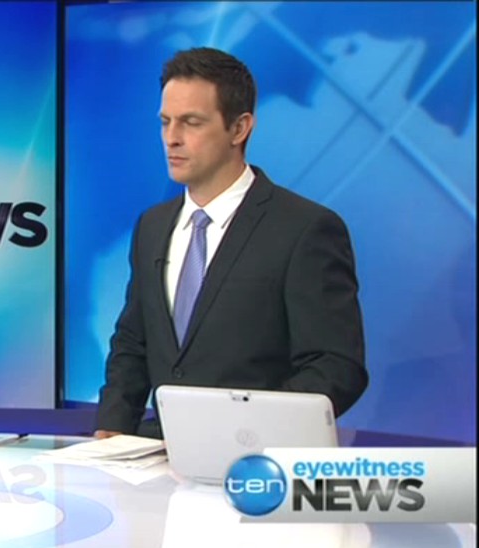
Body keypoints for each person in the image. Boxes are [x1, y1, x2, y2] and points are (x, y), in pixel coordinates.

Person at [95, 47, 368, 439]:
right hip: (158, 454)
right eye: (165, 122)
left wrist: (246, 431)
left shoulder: (305, 229)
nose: (172, 138)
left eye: (191, 123)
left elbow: (336, 366)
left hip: (258, 457)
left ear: (239, 129)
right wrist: (112, 430)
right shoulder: (152, 226)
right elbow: (133, 343)